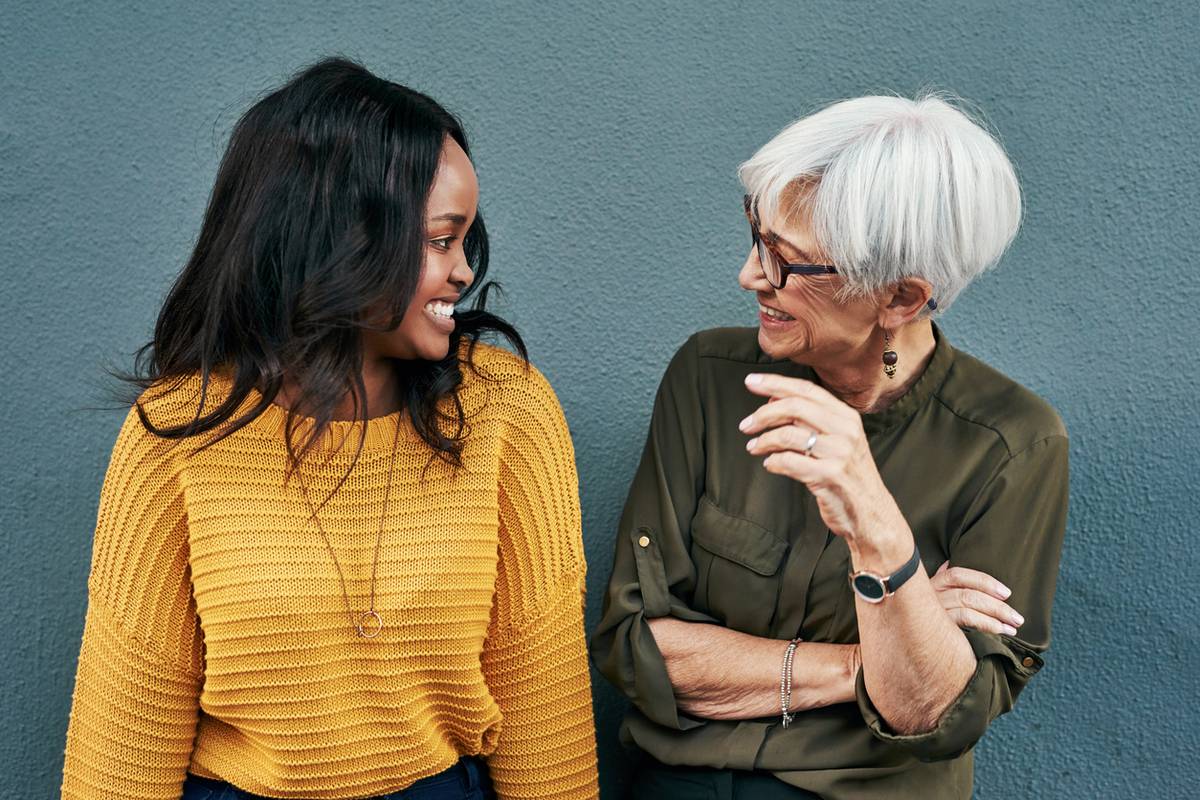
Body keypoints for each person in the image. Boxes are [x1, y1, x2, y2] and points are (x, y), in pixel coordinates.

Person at [61, 58, 598, 800]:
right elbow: (118, 757)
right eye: (441, 241)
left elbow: (548, 718)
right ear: (340, 240)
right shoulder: (176, 435)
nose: (463, 272)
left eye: (466, 240)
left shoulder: (507, 410)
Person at [590, 93, 1069, 799]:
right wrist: (865, 661)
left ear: (901, 300)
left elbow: (929, 713)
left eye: (788, 262)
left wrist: (872, 516)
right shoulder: (710, 379)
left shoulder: (1012, 448)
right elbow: (638, 647)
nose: (752, 276)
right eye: (758, 238)